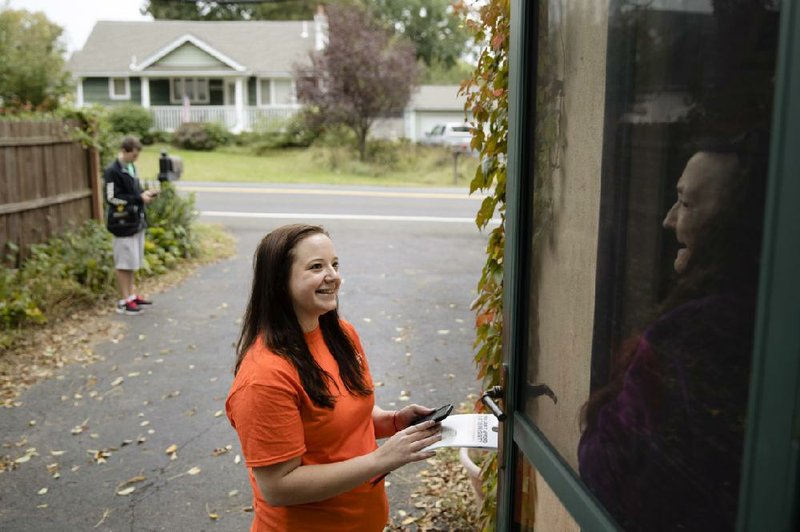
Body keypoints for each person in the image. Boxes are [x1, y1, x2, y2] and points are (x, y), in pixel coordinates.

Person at [578, 134, 768, 531]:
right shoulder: (759, 319)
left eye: (686, 203)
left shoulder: (693, 335)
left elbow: (611, 470)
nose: (667, 219)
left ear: (736, 224)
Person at [225, 224, 442, 531]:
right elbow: (277, 487)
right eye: (316, 267)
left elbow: (338, 419)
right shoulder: (264, 378)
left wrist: (395, 421)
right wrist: (382, 460)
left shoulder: (341, 335)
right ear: (278, 281)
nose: (334, 276)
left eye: (335, 264)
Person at [103, 136, 157, 316]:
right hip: (122, 222)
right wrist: (137, 199)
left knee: (132, 260)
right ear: (124, 151)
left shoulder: (131, 168)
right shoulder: (112, 171)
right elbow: (111, 198)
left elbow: (133, 192)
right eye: (133, 155)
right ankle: (124, 300)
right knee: (123, 262)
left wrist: (143, 195)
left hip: (135, 221)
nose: (136, 159)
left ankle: (132, 295)